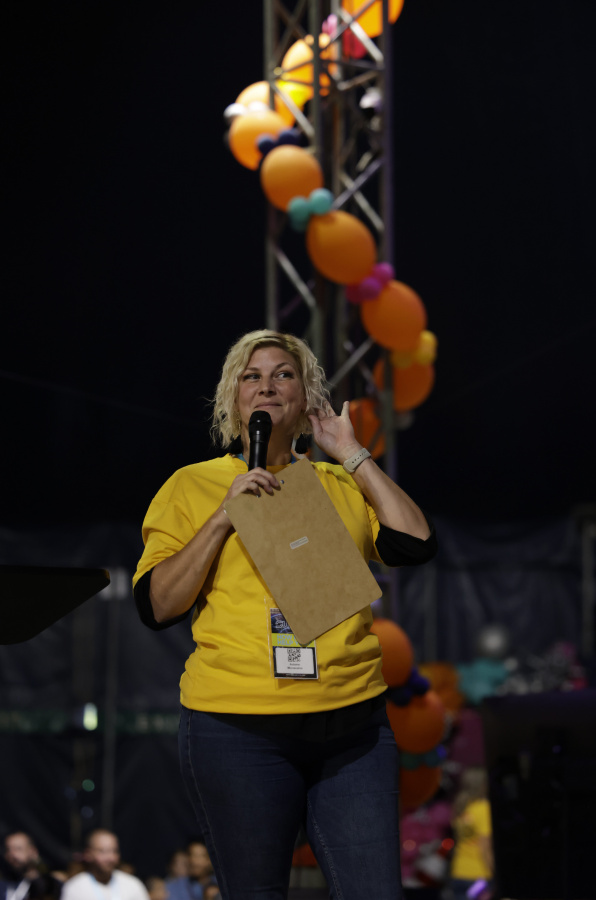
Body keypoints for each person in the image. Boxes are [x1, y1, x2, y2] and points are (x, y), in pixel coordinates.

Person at [133, 330, 437, 900]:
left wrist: (351, 452)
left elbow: (416, 543)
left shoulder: (338, 482)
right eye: (252, 376)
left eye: (283, 374)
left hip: (352, 730)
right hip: (237, 731)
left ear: (305, 399)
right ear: (233, 399)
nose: (267, 385)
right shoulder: (192, 485)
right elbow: (158, 606)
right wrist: (223, 518)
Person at [60, 829, 150, 899]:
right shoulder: (75, 888)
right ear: (88, 854)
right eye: (103, 851)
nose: (111, 857)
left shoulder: (133, 885)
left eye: (114, 851)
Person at [449, 769, 494, 900]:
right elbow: (485, 848)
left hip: (459, 871)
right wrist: (496, 873)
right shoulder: (483, 807)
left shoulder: (461, 807)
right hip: (480, 874)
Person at [0, 831, 62, 899]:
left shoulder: (50, 885)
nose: (12, 854)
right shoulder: (3, 885)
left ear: (33, 851)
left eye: (18, 849)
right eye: (8, 850)